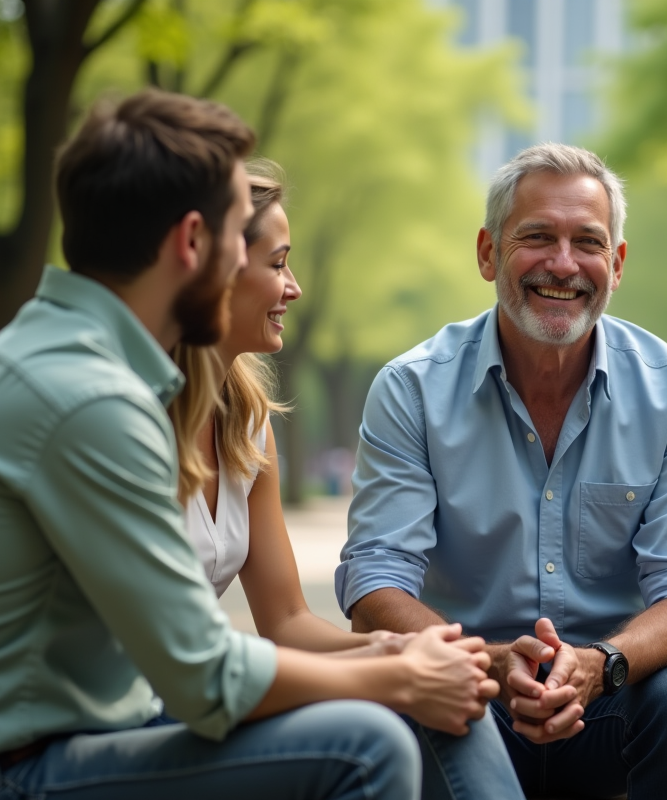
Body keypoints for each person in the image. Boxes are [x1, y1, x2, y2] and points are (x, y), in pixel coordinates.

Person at [0, 90, 493, 800]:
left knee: (407, 696)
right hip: (11, 773)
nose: (264, 271)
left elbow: (255, 637)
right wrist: (395, 675)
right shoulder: (91, 398)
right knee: (370, 742)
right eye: (243, 238)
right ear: (192, 243)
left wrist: (397, 654)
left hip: (89, 732)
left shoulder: (79, 362)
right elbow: (203, 677)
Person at [336, 142, 667, 799]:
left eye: (588, 242)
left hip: (608, 692)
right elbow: (376, 581)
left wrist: (598, 666)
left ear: (618, 262)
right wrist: (484, 662)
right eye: (538, 236)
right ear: (488, 252)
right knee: (403, 694)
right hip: (470, 692)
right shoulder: (412, 388)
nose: (563, 264)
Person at [168, 158, 522, 800]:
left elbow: (287, 620)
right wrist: (388, 668)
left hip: (196, 694)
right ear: (214, 269)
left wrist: (410, 653)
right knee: (388, 716)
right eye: (277, 263)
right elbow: (185, 663)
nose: (294, 287)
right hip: (129, 711)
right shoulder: (126, 424)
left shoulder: (245, 426)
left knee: (442, 692)